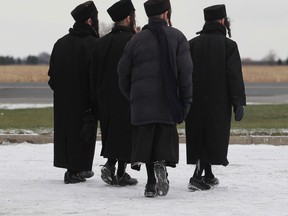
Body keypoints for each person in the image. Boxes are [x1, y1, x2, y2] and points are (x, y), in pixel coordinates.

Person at [117, 0, 193, 197]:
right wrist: (185, 102)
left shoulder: (135, 40)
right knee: (163, 140)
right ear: (166, 14)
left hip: (142, 102)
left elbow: (122, 73)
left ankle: (150, 184)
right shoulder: (177, 37)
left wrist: (133, 96)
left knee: (146, 142)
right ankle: (162, 167)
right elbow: (186, 73)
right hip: (168, 102)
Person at [185, 4, 246, 191]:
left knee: (199, 135)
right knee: (212, 137)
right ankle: (196, 177)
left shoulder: (192, 44)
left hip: (195, 101)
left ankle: (208, 174)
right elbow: (233, 76)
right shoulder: (229, 46)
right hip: (219, 102)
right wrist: (238, 103)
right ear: (222, 21)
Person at [48, 1, 99, 184]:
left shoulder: (60, 43)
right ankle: (76, 170)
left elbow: (52, 76)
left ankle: (75, 168)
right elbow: (95, 77)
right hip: (85, 102)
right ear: (90, 21)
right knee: (83, 134)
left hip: (63, 101)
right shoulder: (94, 44)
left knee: (67, 133)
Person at [91, 0, 138, 187]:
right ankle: (117, 170)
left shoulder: (101, 43)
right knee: (126, 135)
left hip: (105, 96)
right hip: (128, 95)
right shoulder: (134, 41)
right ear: (128, 18)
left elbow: (93, 73)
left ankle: (114, 167)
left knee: (111, 133)